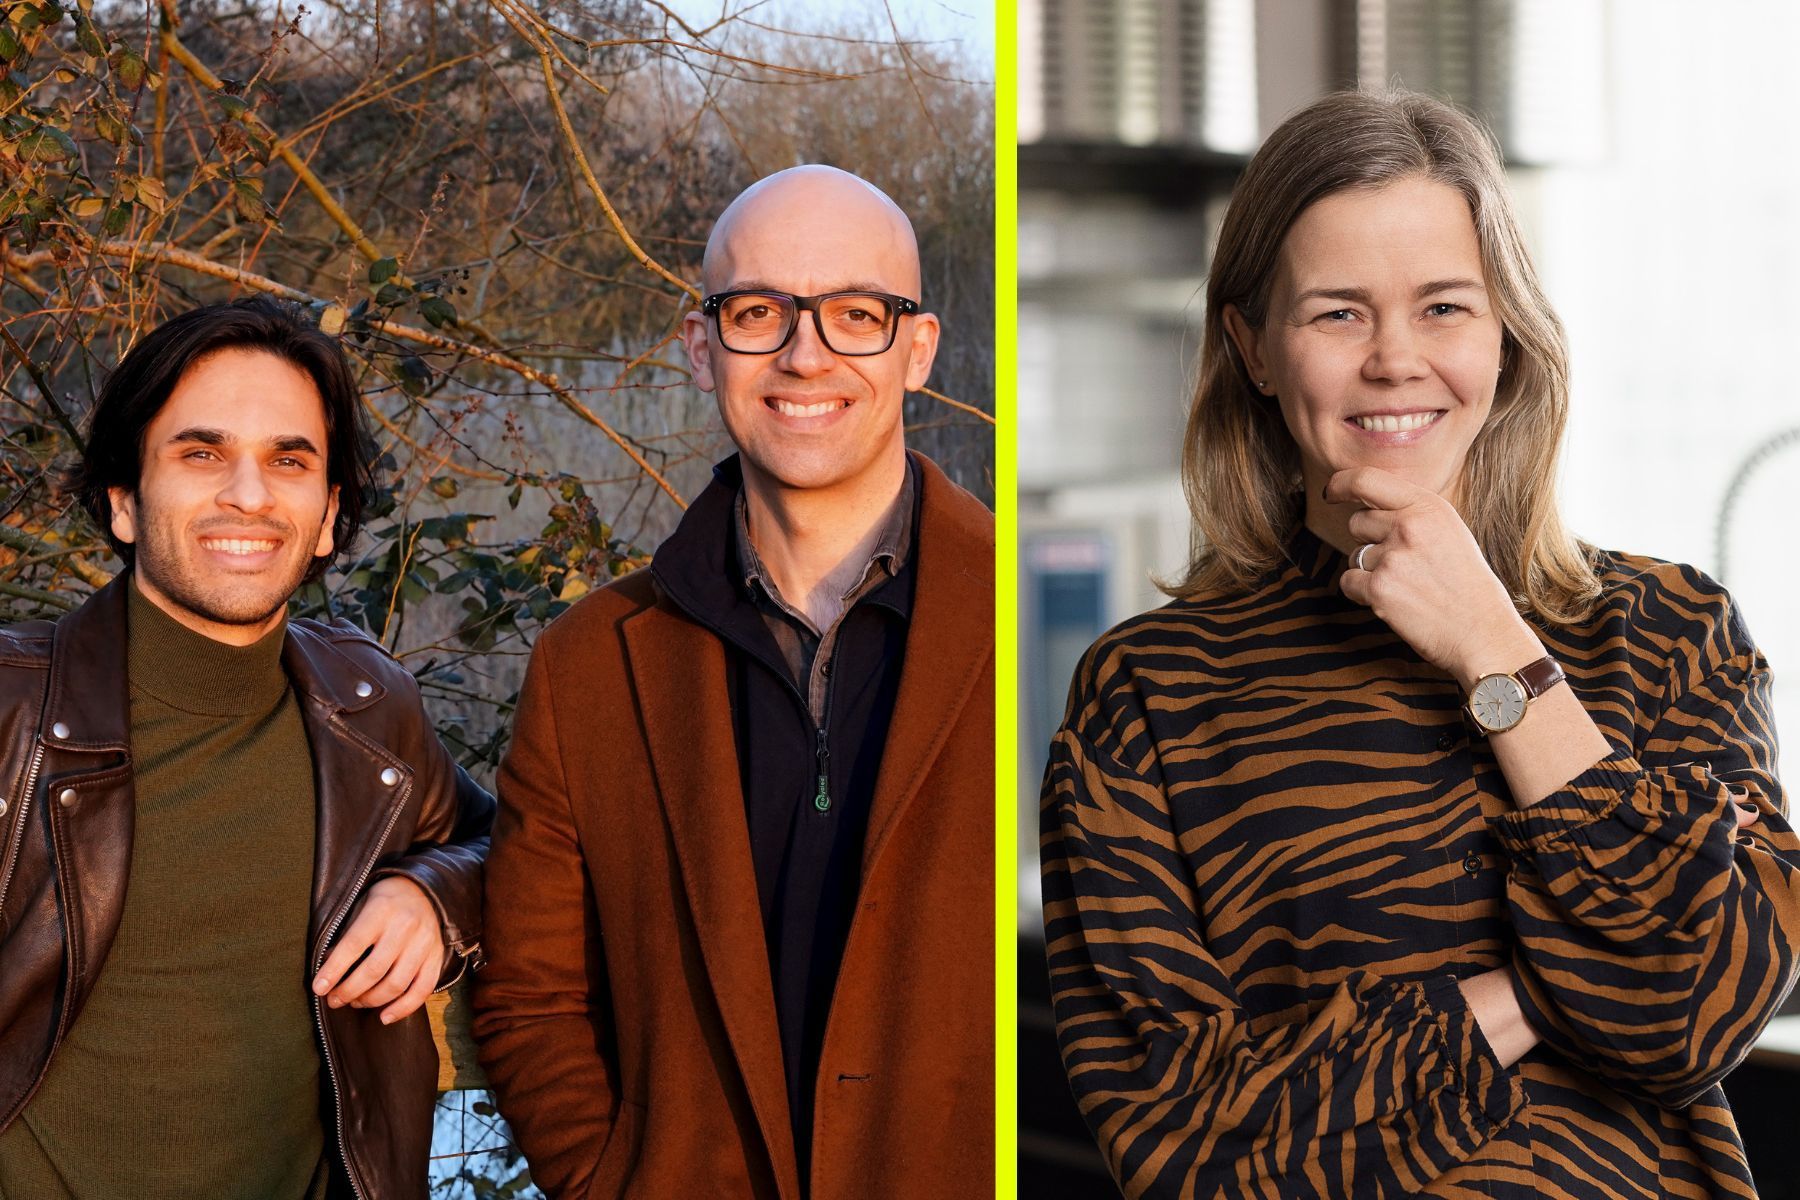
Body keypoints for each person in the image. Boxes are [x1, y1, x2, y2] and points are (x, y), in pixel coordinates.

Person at [1040, 89, 1799, 1199]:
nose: (1397, 360)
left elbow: (1694, 1012)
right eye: (1339, 312)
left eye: (1445, 307)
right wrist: (1547, 992)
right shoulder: (1147, 694)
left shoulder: (1672, 631)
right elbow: (1180, 1147)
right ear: (1253, 345)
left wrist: (1494, 643)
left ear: (1505, 334)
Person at [472, 165, 995, 1199]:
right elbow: (532, 993)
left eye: (857, 313)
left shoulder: (1033, 623)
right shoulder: (590, 665)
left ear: (917, 348)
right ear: (701, 344)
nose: (806, 354)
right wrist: (615, 1183)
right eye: (759, 312)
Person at [0, 298, 493, 1199]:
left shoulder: (367, 708)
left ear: (330, 516)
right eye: (202, 453)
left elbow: (514, 845)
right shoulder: (10, 712)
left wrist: (434, 894)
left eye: (289, 461)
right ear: (123, 501)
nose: (250, 495)